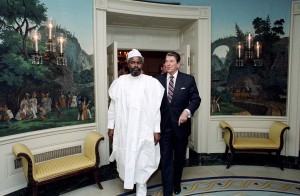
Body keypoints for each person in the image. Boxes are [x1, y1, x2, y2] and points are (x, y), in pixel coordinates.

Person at [107, 49, 164, 196]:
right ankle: (130, 181)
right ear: (128, 64)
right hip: (124, 128)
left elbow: (155, 109)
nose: (136, 65)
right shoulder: (119, 82)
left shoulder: (151, 83)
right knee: (125, 155)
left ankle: (141, 185)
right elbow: (112, 106)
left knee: (143, 157)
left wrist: (156, 130)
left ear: (142, 64)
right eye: (133, 62)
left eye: (138, 62)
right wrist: (110, 125)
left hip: (143, 127)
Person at [156, 51, 201, 195]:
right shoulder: (157, 80)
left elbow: (196, 99)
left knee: (179, 159)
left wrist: (187, 111)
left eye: (171, 61)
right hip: (164, 128)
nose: (167, 64)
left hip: (181, 128)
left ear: (178, 64)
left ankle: (176, 182)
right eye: (166, 61)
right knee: (165, 160)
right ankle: (168, 190)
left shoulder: (188, 80)